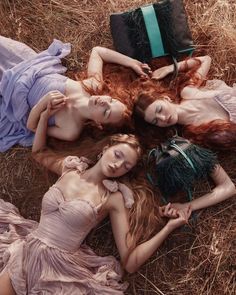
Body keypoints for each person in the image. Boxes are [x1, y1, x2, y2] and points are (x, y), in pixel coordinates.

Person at [0, 99, 191, 294]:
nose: (118, 165)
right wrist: (44, 116)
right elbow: (39, 153)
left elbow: (130, 262)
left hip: (60, 270)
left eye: (126, 166)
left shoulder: (113, 198)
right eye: (118, 155)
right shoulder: (71, 168)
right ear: (105, 149)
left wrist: (169, 227)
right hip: (27, 249)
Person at [0, 35, 151, 152]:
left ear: (99, 125)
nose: (104, 102)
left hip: (13, 98)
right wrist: (132, 63)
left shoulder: (71, 129)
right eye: (111, 101)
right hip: (27, 66)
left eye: (106, 112)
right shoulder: (92, 85)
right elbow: (97, 52)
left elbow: (32, 127)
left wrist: (42, 106)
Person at [135, 55, 236, 150]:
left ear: (165, 98)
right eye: (156, 121)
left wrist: (168, 68)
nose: (163, 118)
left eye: (160, 109)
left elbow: (206, 59)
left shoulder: (188, 92)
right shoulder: (195, 133)